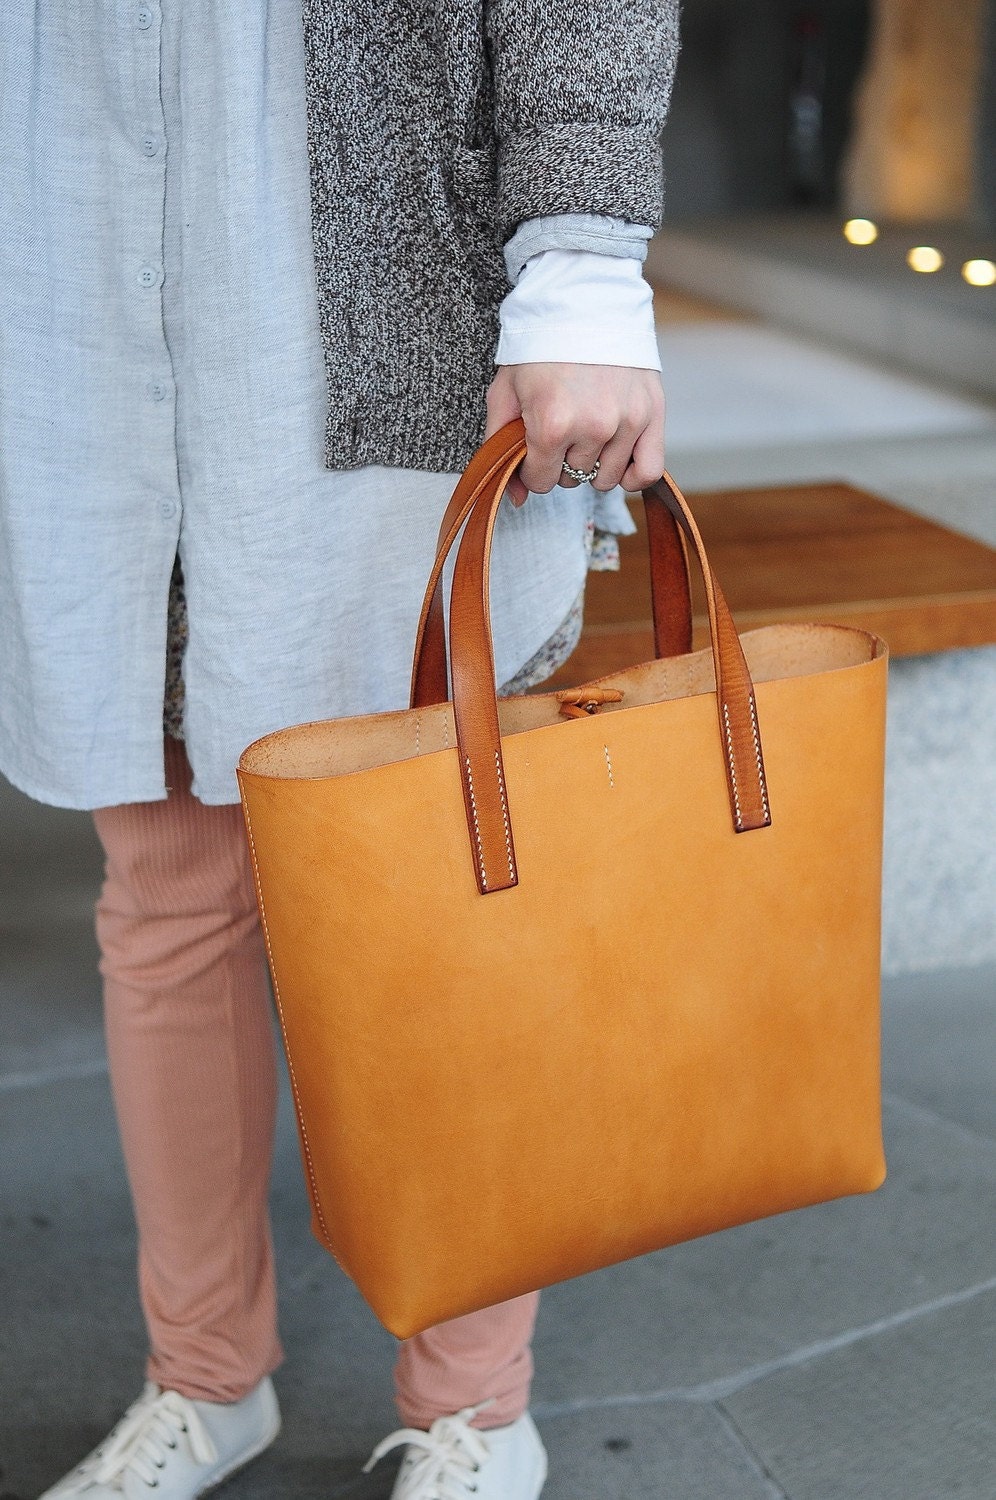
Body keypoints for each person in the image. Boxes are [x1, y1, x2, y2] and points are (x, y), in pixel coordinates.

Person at [0, 3, 679, 1497]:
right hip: (70, 250)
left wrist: (581, 264)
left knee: (447, 902)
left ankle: (476, 1409)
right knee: (165, 892)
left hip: (347, 266)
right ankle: (204, 1379)